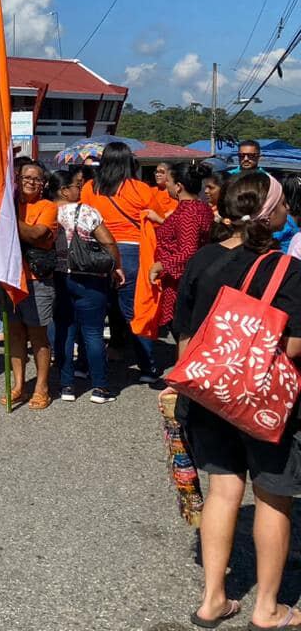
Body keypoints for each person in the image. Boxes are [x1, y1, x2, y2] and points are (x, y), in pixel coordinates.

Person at [173, 170, 301, 630]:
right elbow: (293, 346)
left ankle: (213, 599)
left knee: (224, 491)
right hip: (263, 402)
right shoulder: (287, 268)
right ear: (270, 212)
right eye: (284, 202)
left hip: (208, 394)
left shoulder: (203, 259)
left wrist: (180, 387)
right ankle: (267, 608)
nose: (288, 210)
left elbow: (185, 332)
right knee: (272, 498)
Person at [81, 141, 168, 387]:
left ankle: (89, 364)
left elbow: (85, 218)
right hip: (133, 253)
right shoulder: (142, 189)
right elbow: (158, 221)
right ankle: (147, 366)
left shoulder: (91, 187)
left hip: (97, 251)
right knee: (135, 311)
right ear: (129, 162)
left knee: (96, 310)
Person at [49, 170, 124, 403]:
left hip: (59, 278)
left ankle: (66, 386)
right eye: (76, 186)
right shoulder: (87, 212)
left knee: (65, 331)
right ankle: (100, 388)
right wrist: (116, 267)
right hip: (91, 279)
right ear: (64, 190)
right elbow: (108, 241)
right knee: (92, 333)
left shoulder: (47, 212)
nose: (79, 190)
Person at [9, 161, 59, 409]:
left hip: (37, 279)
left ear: (44, 184)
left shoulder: (48, 206)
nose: (30, 181)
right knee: (15, 333)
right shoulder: (11, 204)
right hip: (9, 279)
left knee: (38, 336)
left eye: (36, 179)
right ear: (17, 179)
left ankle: (42, 386)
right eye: (25, 177)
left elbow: (37, 234)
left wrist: (4, 221)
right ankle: (19, 384)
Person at [149, 162, 213, 331]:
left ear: (178, 186)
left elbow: (188, 250)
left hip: (181, 282)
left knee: (184, 334)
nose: (166, 185)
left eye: (168, 181)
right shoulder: (201, 208)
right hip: (187, 278)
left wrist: (160, 265)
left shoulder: (188, 212)